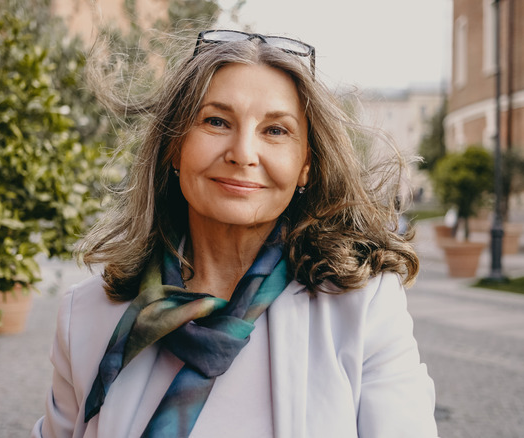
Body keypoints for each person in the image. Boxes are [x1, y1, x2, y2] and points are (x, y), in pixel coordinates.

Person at [32, 29, 437, 438]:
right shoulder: (85, 315)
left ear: (306, 165)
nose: (243, 153)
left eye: (275, 130)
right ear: (175, 146)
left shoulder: (363, 309)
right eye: (216, 121)